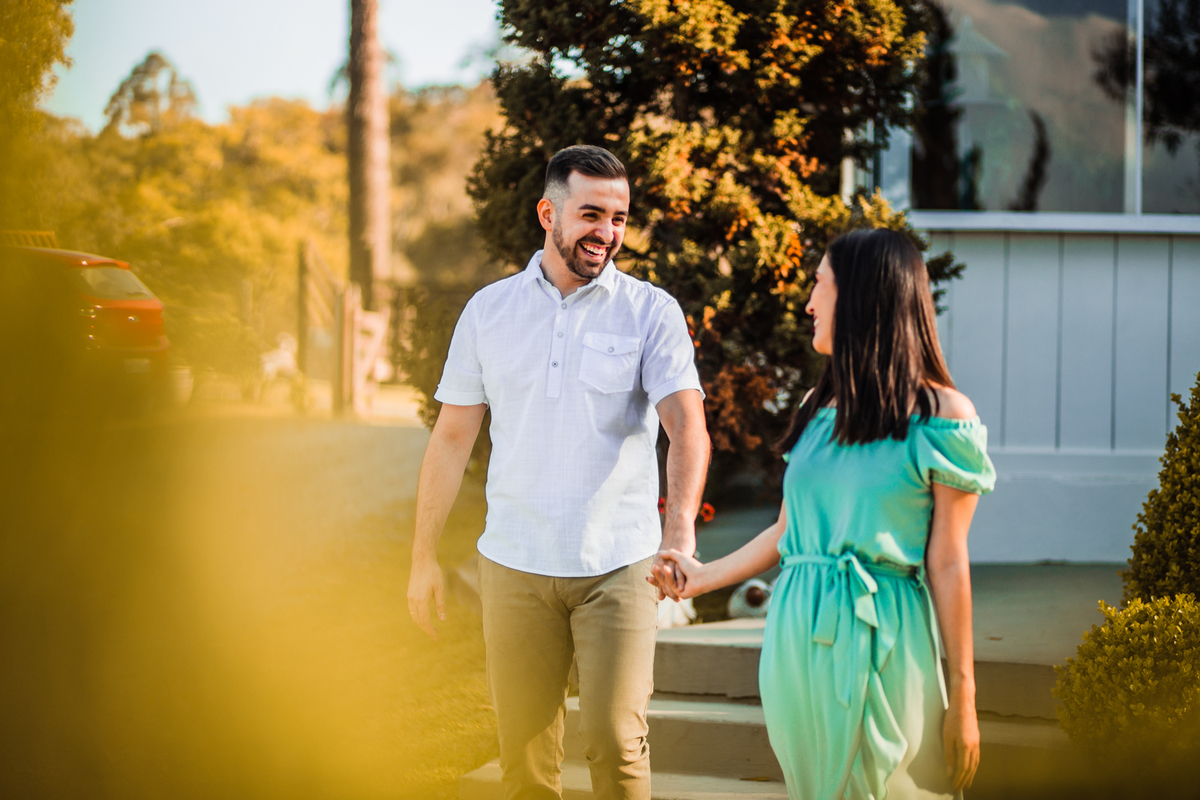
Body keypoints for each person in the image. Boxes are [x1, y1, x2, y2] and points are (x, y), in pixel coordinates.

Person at [407, 144, 710, 800]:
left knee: (615, 740)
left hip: (619, 564)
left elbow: (688, 427)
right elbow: (452, 438)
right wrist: (423, 556)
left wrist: (678, 536)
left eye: (619, 218)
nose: (607, 232)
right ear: (549, 214)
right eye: (591, 214)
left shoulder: (650, 312)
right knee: (524, 761)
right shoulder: (488, 311)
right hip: (513, 564)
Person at [652, 228, 995, 800]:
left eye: (820, 285)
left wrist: (964, 696)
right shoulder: (817, 407)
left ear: (862, 295)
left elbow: (949, 563)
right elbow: (787, 531)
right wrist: (701, 577)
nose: (809, 303)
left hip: (883, 632)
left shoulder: (943, 416)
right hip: (795, 635)